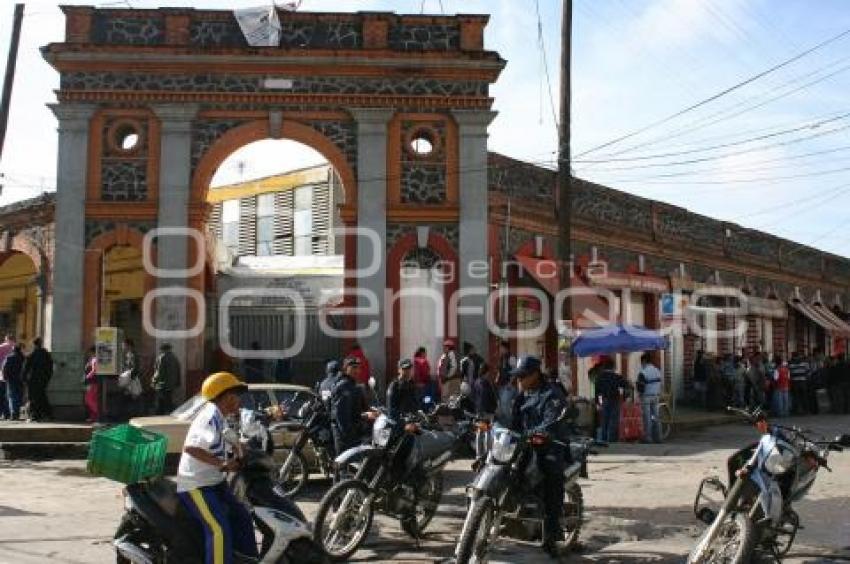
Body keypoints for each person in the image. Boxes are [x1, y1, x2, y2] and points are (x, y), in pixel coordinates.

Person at [176, 372, 258, 564]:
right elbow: (191, 447)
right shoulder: (209, 416)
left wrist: (241, 449)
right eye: (236, 395)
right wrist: (222, 464)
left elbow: (221, 443)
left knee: (243, 517)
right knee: (218, 529)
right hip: (196, 485)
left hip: (215, 482)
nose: (239, 400)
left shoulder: (221, 417)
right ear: (227, 396)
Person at [509, 355, 570, 557]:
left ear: (535, 374)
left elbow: (552, 421)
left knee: (552, 476)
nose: (519, 380)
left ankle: (553, 532)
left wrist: (542, 433)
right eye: (517, 377)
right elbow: (509, 420)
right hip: (523, 445)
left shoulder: (552, 394)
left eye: (522, 376)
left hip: (548, 445)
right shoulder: (521, 394)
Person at [331, 357, 367, 456]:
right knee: (345, 467)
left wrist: (366, 414)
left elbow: (356, 409)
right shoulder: (343, 386)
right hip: (345, 435)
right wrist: (349, 435)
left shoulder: (353, 385)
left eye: (358, 368)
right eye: (353, 367)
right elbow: (341, 415)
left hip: (354, 431)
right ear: (345, 368)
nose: (356, 370)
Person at [594, 356, 629, 442]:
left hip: (604, 399)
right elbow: (626, 385)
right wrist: (624, 397)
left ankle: (604, 438)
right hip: (615, 400)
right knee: (614, 420)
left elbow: (597, 392)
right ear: (613, 367)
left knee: (604, 419)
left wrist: (598, 402)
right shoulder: (616, 376)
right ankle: (612, 438)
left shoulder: (600, 377)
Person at [23, 337, 53, 421]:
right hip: (43, 379)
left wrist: (24, 378)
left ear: (34, 344)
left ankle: (35, 415)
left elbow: (26, 367)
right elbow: (50, 367)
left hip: (33, 379)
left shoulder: (32, 354)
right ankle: (48, 414)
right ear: (40, 343)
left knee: (32, 397)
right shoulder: (46, 354)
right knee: (42, 396)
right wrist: (48, 377)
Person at [637, 353, 663, 444]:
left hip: (646, 396)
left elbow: (641, 387)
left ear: (644, 361)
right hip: (656, 395)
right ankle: (658, 437)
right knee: (656, 417)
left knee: (647, 418)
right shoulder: (657, 371)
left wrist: (639, 394)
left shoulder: (643, 372)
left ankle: (648, 437)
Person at [152, 343, 181, 415]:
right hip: (171, 384)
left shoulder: (162, 357)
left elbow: (159, 372)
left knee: (160, 402)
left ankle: (159, 416)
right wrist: (177, 382)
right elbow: (178, 371)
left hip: (162, 384)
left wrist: (154, 381)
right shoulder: (175, 358)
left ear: (162, 349)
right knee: (168, 400)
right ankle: (170, 415)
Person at [3, 344, 25, 420]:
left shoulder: (9, 358)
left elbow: (5, 369)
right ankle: (17, 413)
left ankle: (13, 413)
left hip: (11, 380)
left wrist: (5, 378)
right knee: (19, 396)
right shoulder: (23, 358)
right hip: (21, 380)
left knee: (12, 397)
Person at [0, 335, 16, 419]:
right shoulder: (16, 348)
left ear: (6, 339)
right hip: (14, 376)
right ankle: (10, 413)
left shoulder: (1, 347)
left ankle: (4, 413)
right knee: (11, 395)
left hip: (2, 375)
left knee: (2, 395)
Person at [83, 346, 99, 423]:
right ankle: (93, 417)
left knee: (88, 400)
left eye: (90, 352)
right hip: (92, 382)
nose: (89, 354)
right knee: (92, 400)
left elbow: (94, 371)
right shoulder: (92, 360)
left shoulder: (94, 360)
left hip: (92, 382)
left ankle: (98, 414)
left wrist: (86, 377)